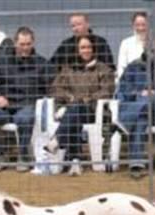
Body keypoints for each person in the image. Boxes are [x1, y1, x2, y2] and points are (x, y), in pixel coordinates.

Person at [0, 26, 54, 173]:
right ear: (15, 43)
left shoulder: (41, 63)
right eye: (22, 44)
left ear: (33, 43)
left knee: (26, 118)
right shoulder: (2, 61)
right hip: (4, 107)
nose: (25, 48)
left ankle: (24, 157)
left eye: (28, 44)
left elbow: (50, 87)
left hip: (27, 105)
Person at [45, 34, 115, 176]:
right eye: (83, 47)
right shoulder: (68, 69)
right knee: (74, 115)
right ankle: (75, 161)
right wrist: (69, 97)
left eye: (89, 47)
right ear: (77, 50)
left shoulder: (103, 69)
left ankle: (58, 140)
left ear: (94, 49)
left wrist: (86, 99)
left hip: (93, 111)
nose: (86, 50)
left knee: (76, 110)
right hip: (72, 110)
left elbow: (106, 91)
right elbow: (55, 88)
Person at [116, 32, 155, 179]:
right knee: (140, 119)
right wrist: (139, 93)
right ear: (144, 45)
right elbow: (123, 88)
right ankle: (136, 164)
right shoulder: (134, 65)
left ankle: (123, 122)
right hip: (141, 108)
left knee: (149, 100)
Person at [50, 13, 115, 73]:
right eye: (73, 26)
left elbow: (108, 65)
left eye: (78, 24)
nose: (75, 29)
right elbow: (53, 65)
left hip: (95, 81)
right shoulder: (66, 44)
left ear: (87, 24)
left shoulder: (100, 42)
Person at [116, 12, 152, 80]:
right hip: (131, 83)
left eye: (143, 24)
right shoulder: (126, 43)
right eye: (137, 25)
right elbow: (121, 67)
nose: (141, 28)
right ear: (133, 26)